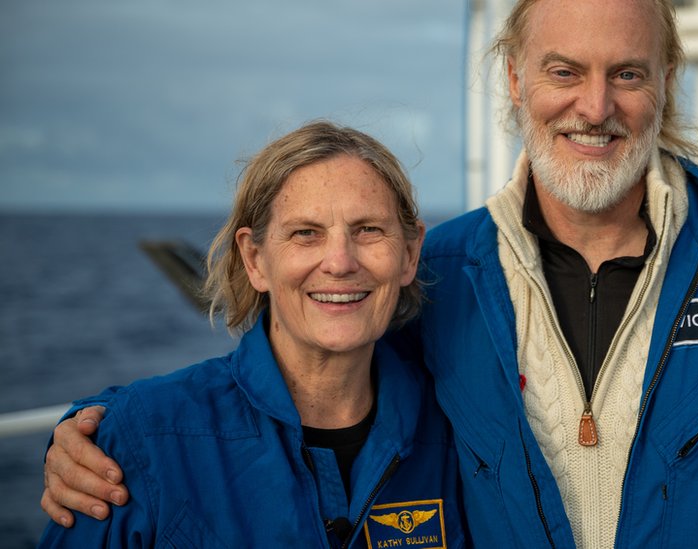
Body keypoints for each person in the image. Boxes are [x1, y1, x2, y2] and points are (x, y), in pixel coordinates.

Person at [42, 1, 698, 547]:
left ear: (666, 81)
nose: (595, 105)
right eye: (563, 71)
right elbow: (302, 381)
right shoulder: (442, 272)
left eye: (626, 73)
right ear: (514, 79)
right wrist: (109, 431)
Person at [37, 120, 466, 548]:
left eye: (368, 229)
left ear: (409, 254)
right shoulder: (141, 441)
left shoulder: (462, 429)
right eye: (305, 233)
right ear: (255, 258)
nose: (339, 262)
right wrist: (108, 428)